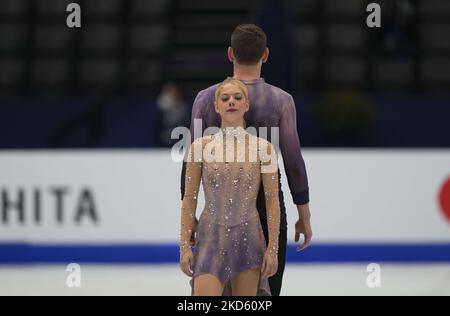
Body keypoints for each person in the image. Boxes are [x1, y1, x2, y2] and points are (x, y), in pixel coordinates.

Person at [180, 24, 313, 296]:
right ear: (265, 55)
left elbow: (189, 162)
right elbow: (293, 160)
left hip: (218, 211)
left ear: (230, 54)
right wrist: (304, 213)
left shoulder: (206, 98)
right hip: (267, 210)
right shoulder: (281, 100)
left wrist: (190, 216)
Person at [180, 79, 280, 296]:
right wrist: (184, 246)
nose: (231, 102)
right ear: (217, 106)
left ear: (246, 105)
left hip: (249, 237)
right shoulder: (200, 147)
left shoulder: (264, 148)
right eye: (225, 99)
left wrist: (273, 249)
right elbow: (190, 199)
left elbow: (272, 201)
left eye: (237, 98)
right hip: (210, 239)